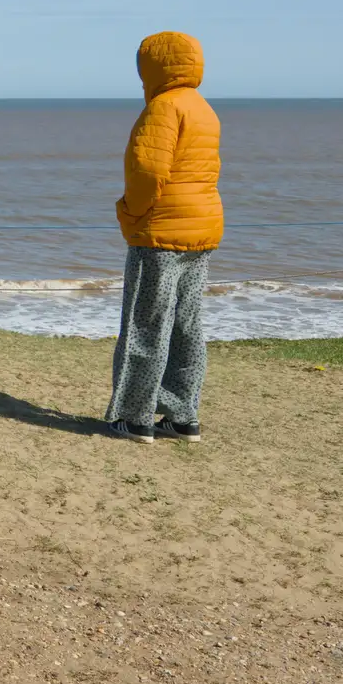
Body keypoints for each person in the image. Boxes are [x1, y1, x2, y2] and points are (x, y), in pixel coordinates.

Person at [104, 31, 223, 444]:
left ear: (151, 67)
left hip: (160, 232)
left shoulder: (163, 107)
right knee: (186, 324)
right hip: (201, 229)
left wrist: (129, 212)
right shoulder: (203, 108)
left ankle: (135, 418)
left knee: (145, 324)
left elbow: (148, 172)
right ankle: (182, 415)